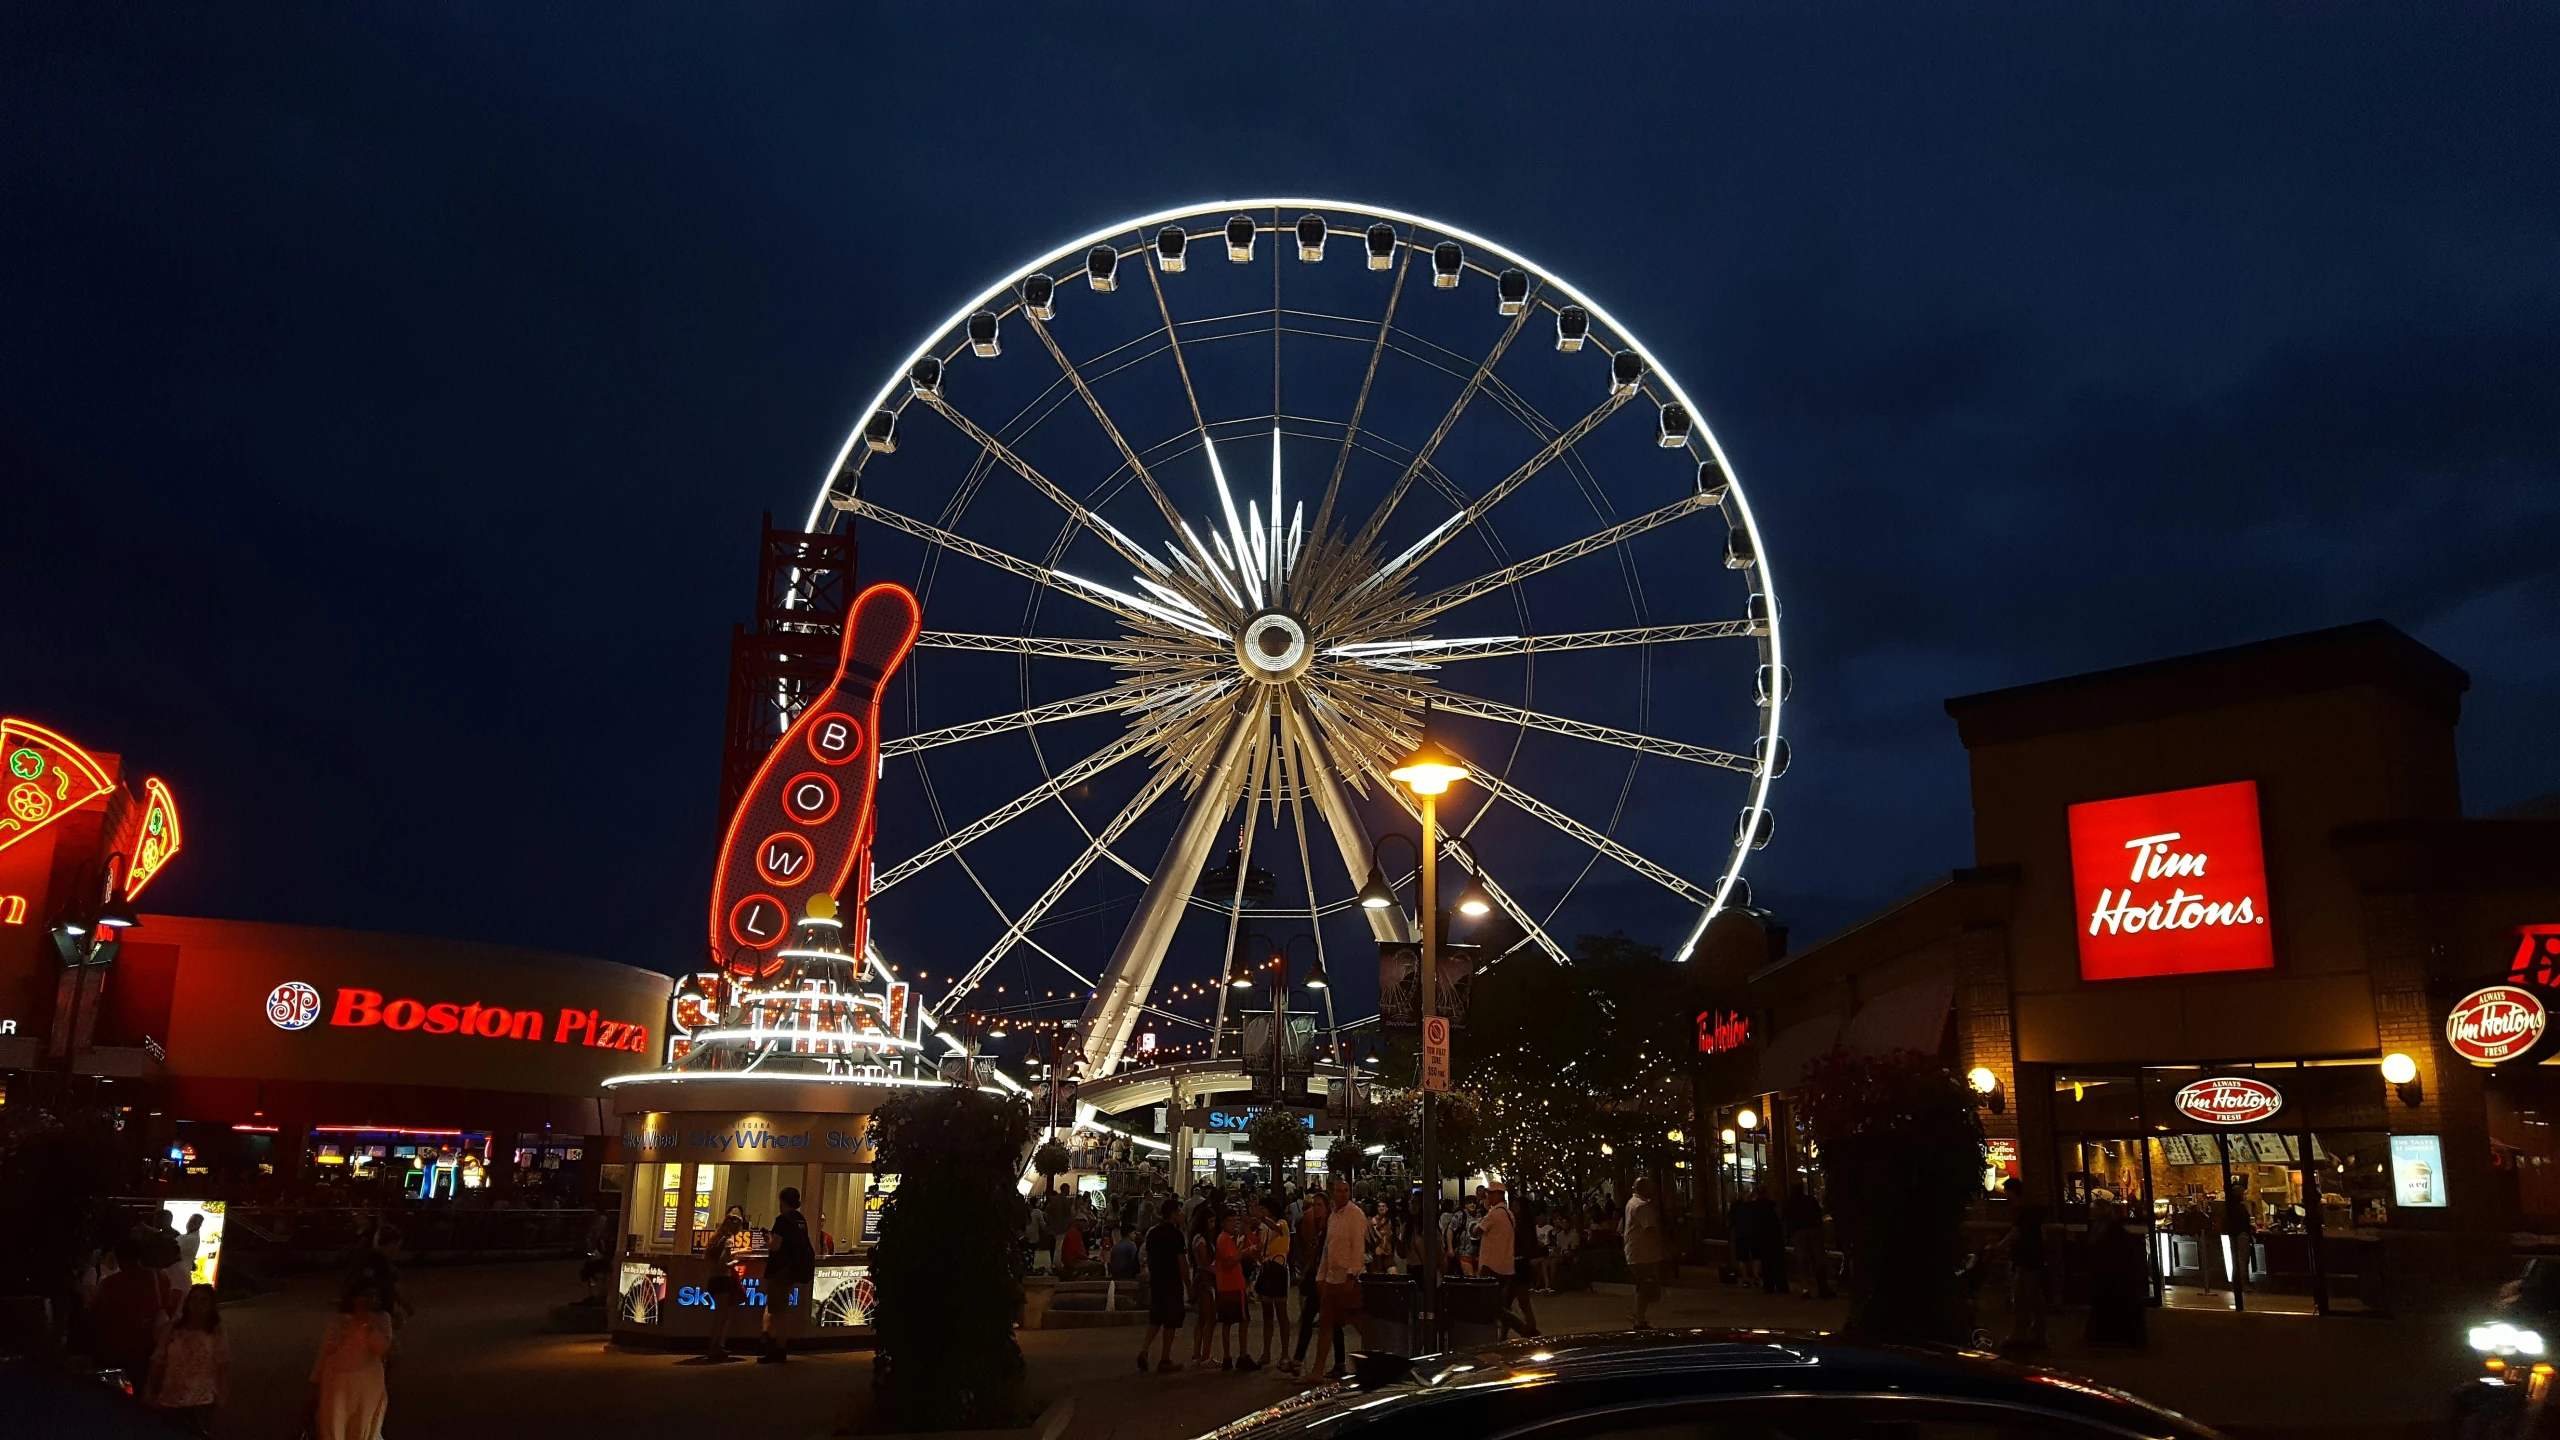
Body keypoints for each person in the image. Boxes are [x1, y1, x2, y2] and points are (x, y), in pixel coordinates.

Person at [310, 1280, 394, 1440]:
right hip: (336, 1385)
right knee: (334, 1427)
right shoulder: (339, 1321)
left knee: (364, 1427)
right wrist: (314, 1381)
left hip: (367, 1386)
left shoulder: (382, 1319)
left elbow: (383, 1348)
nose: (372, 1299)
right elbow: (325, 1351)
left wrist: (367, 1326)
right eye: (366, 1295)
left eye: (375, 1295)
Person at [89, 1234, 170, 1391]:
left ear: (119, 1257)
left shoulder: (110, 1284)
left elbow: (97, 1315)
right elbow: (167, 1305)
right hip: (149, 1349)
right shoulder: (159, 1277)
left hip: (116, 1350)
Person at [146, 1282, 227, 1435]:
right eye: (195, 1299)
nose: (198, 1304)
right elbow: (158, 1360)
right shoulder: (174, 1329)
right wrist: (152, 1391)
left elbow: (222, 1364)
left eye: (204, 1300)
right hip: (170, 1397)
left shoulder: (215, 1333)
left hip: (201, 1400)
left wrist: (221, 1395)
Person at [1311, 1179, 1367, 1384]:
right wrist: (1321, 1275)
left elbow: (1358, 1248)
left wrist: (1352, 1275)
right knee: (1326, 1324)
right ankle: (1317, 1370)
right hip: (1332, 1279)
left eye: (1346, 1190)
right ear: (1333, 1193)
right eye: (1339, 1191)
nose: (1343, 1194)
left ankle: (1371, 1362)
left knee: (1357, 1321)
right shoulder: (1333, 1217)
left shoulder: (1356, 1215)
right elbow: (1328, 1248)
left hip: (1347, 1278)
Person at [759, 1186, 816, 1364]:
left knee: (777, 1311)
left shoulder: (783, 1220)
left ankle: (777, 1348)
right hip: (793, 1270)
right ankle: (778, 1346)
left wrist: (768, 1239)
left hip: (781, 1270)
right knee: (781, 1309)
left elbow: (776, 1246)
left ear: (783, 1201)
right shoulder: (801, 1220)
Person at [1476, 1183, 1540, 1339]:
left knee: (1517, 1303)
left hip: (1516, 1263)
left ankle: (1527, 1330)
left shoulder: (1503, 1216)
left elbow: (1478, 1231)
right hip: (1511, 1264)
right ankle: (1517, 1332)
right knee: (1505, 1304)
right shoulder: (1510, 1217)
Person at [2084, 1199, 2149, 1347]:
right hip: (2107, 1273)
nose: (2092, 1213)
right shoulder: (2101, 1227)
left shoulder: (2110, 1230)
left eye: (2094, 1210)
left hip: (2112, 1274)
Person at [1994, 1178, 2048, 1352]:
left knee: (2022, 1298)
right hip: (2034, 1260)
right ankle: (2038, 1334)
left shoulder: (2022, 1212)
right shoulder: (2030, 1211)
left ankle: (2018, 1335)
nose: (2005, 1196)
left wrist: (1999, 1247)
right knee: (2035, 1299)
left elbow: (2016, 1233)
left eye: (2006, 1192)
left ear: (2011, 1191)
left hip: (2026, 1260)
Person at [1282, 1190, 1329, 1377]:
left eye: (1319, 1205)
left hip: (1325, 1279)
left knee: (1330, 1322)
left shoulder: (1328, 1228)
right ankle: (1300, 1360)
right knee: (1311, 1318)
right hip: (1317, 1277)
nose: (1315, 1209)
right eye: (1313, 1205)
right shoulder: (1317, 1226)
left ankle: (1306, 1362)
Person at [1137, 1198, 1187, 1372]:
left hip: (1157, 1279)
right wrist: (1187, 1283)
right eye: (1179, 1212)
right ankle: (1165, 1359)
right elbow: (1182, 1261)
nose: (1181, 1215)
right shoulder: (1176, 1235)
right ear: (1173, 1214)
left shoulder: (1153, 1233)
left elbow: (1149, 1257)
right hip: (1172, 1280)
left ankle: (1144, 1350)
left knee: (1156, 1317)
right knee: (1170, 1321)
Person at [694, 1213, 748, 1362]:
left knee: (719, 1315)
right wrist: (735, 1262)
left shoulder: (715, 1240)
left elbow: (716, 1259)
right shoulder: (729, 1241)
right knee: (722, 1317)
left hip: (713, 1281)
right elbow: (723, 1263)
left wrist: (738, 1252)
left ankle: (716, 1347)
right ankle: (715, 1347)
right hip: (723, 1281)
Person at [1252, 1196, 1290, 1369]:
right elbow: (1260, 1248)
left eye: (1264, 1210)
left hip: (1277, 1270)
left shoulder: (1282, 1224)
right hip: (1267, 1269)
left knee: (1281, 1314)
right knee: (1268, 1315)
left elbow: (1276, 1227)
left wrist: (1262, 1219)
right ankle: (1266, 1352)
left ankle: (1284, 1353)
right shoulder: (1264, 1228)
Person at [1624, 1177, 1666, 1330]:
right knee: (1646, 1284)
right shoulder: (1642, 1206)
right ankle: (1639, 1319)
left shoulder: (1633, 1203)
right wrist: (1664, 1246)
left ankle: (1639, 1316)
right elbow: (1650, 1228)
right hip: (1643, 1252)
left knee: (1644, 1285)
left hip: (1638, 1251)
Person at [1215, 1210, 1251, 1369]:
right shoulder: (1224, 1239)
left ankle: (1227, 1356)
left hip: (1225, 1284)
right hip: (1233, 1284)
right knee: (1243, 1321)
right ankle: (1242, 1355)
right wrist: (1243, 1254)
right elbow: (1230, 1262)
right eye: (1229, 1220)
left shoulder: (1225, 1239)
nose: (1233, 1224)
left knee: (1227, 1323)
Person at [1782, 1186, 1831, 1300]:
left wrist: (1788, 1235)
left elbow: (1785, 1219)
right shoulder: (1811, 1200)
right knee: (1818, 1259)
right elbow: (1818, 1215)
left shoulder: (1790, 1202)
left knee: (1802, 1260)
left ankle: (1805, 1289)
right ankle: (1822, 1288)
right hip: (1813, 1230)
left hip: (1798, 1232)